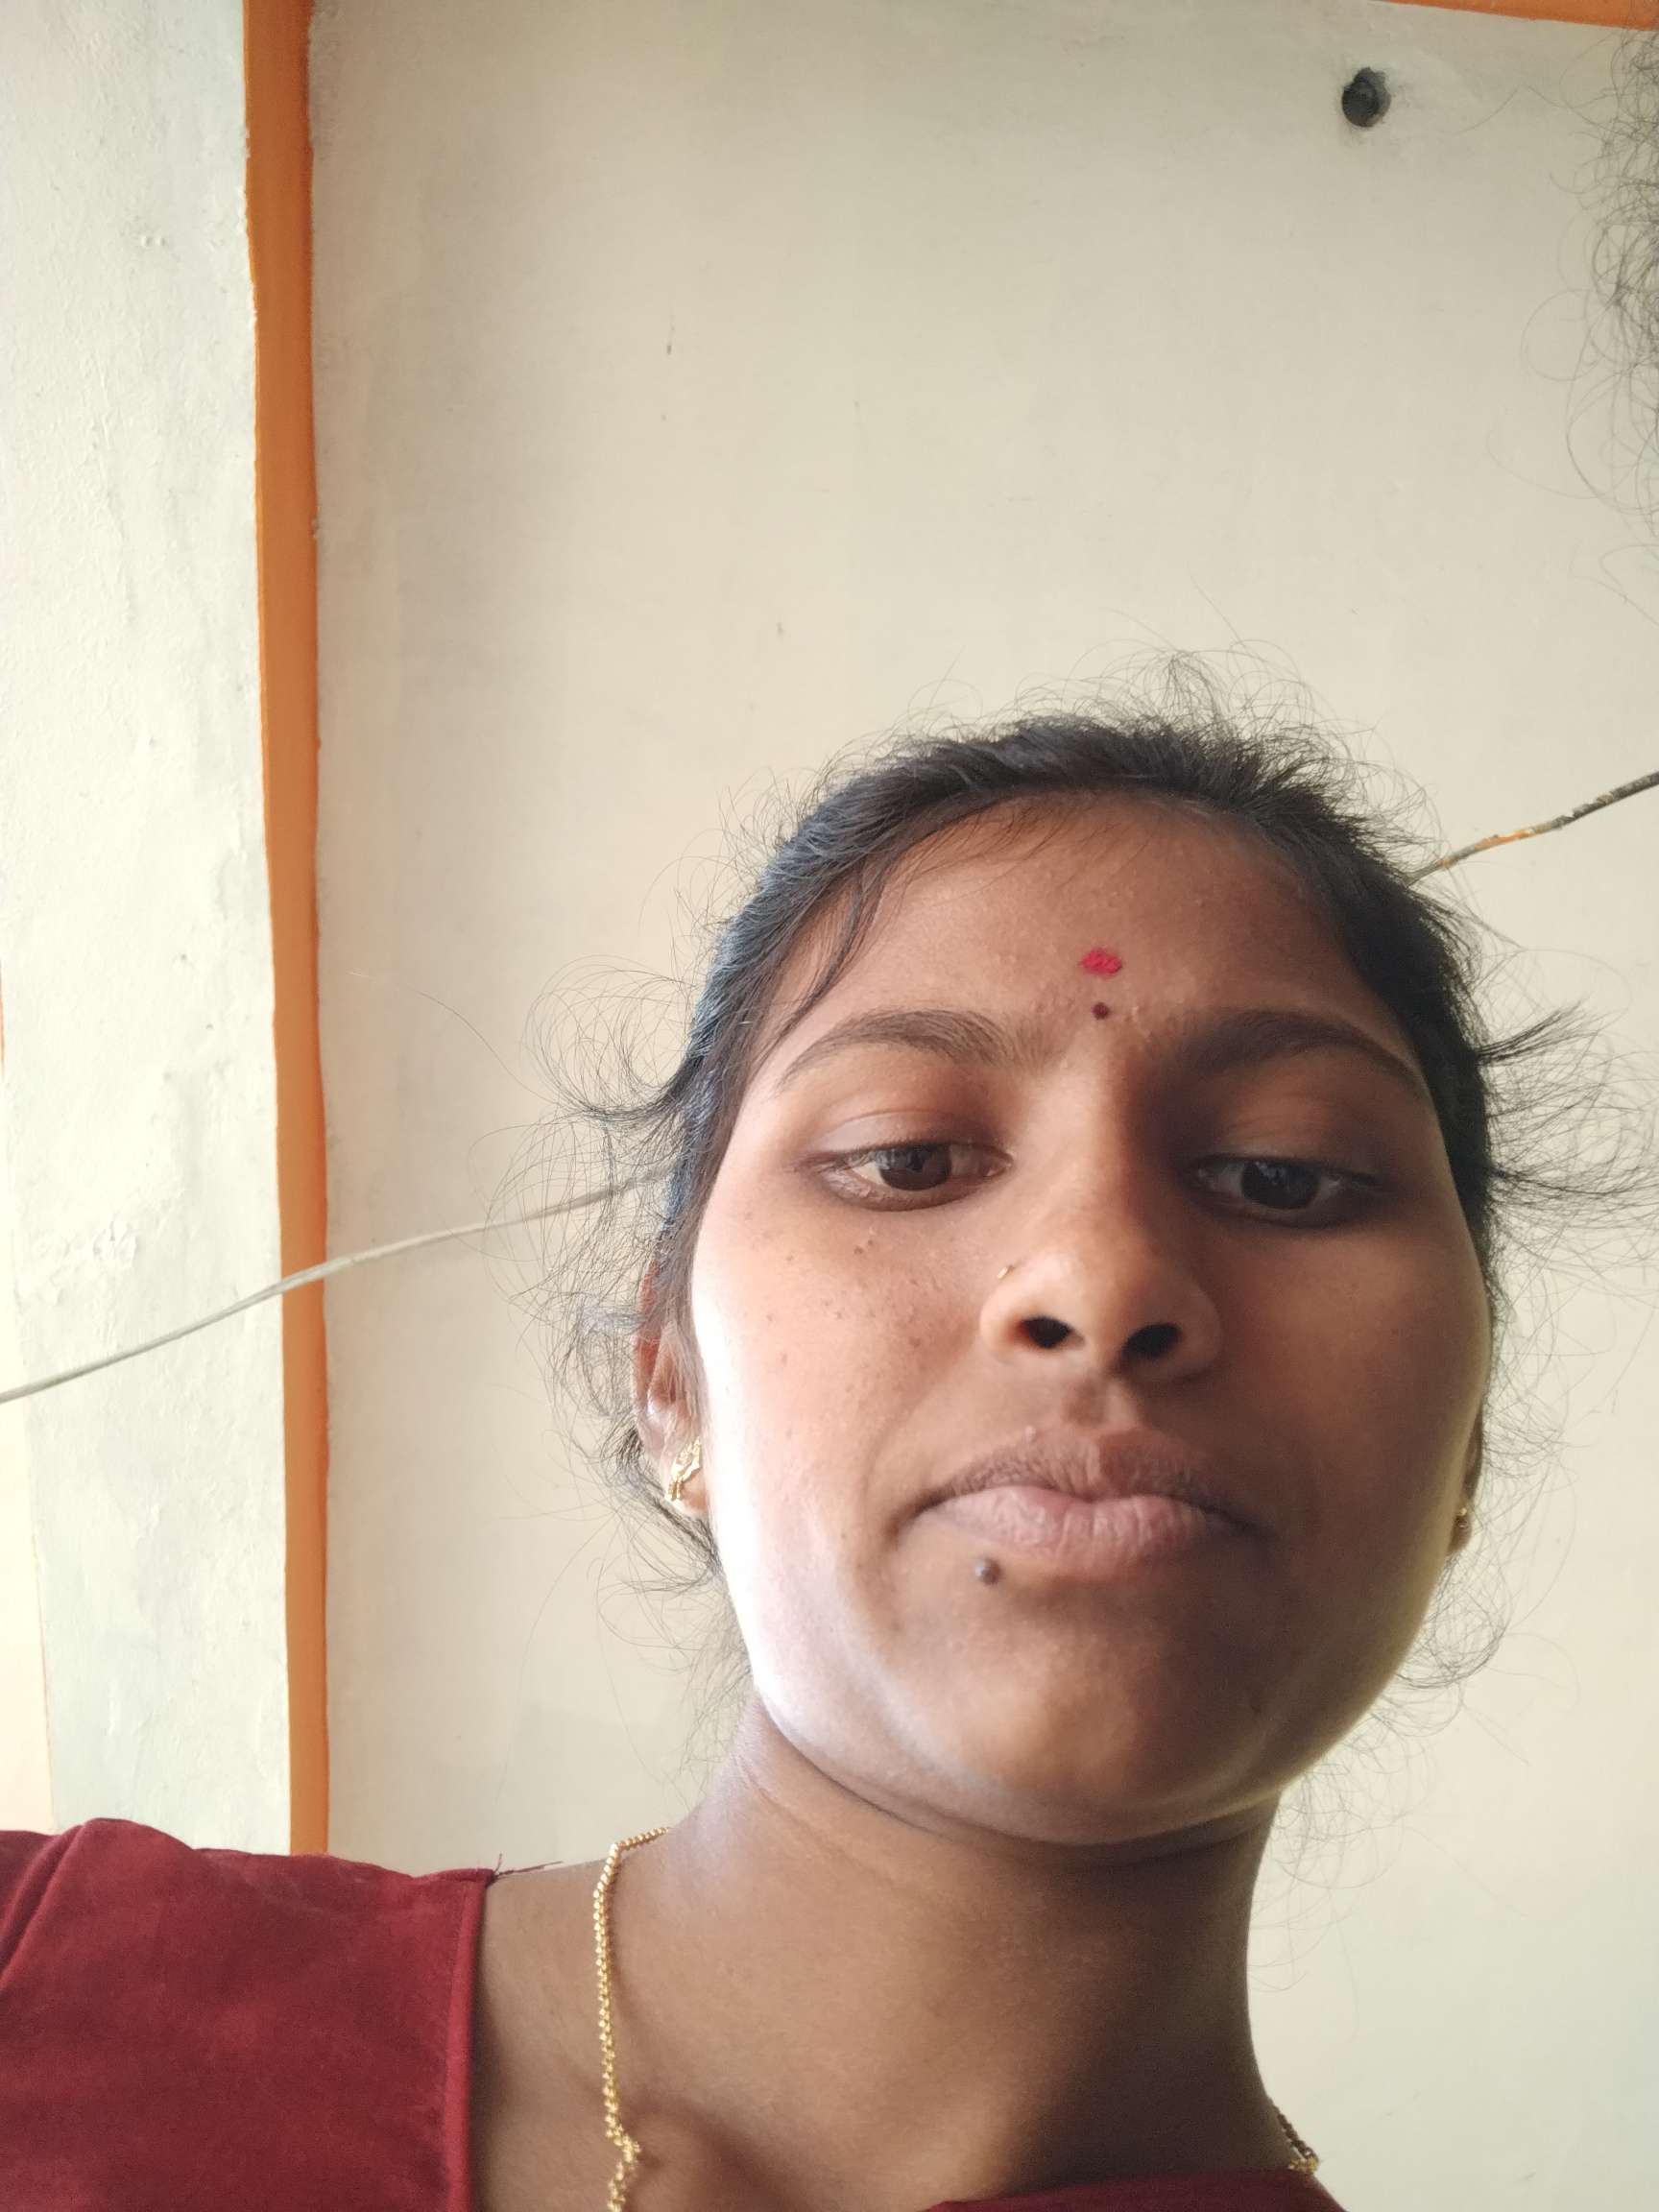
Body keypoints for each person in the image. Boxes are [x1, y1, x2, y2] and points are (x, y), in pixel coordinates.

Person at [1, 694, 1608, 2211]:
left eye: (1283, 1175)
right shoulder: (38, 1983)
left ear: (1466, 1437)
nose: (1102, 1278)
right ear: (669, 1381)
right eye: (908, 1159)